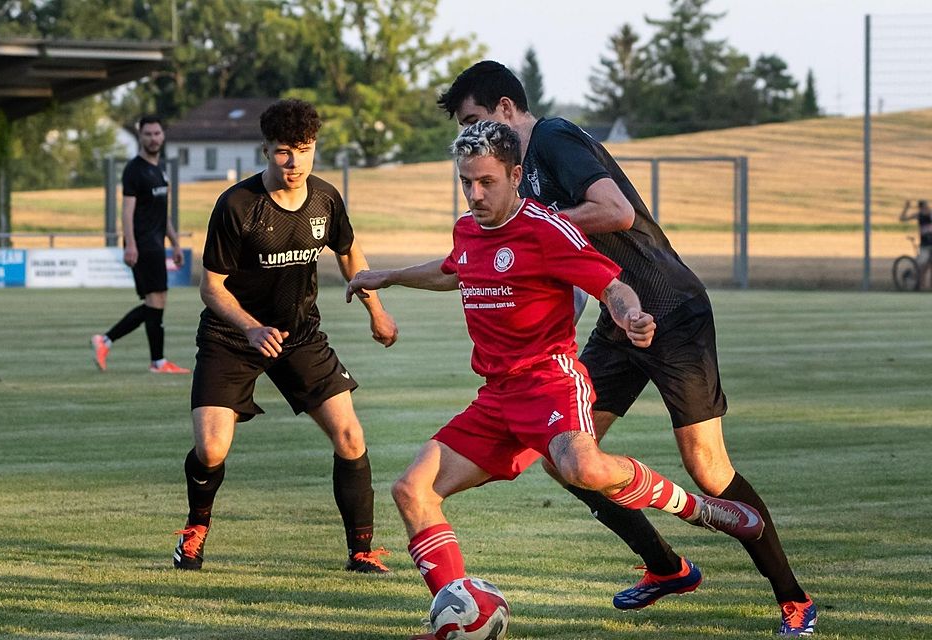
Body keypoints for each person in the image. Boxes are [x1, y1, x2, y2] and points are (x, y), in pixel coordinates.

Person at [436, 61, 816, 636]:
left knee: (708, 470)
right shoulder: (519, 170)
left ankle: (794, 598)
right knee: (568, 460)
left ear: (507, 110)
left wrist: (534, 229)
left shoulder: (553, 138)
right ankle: (667, 568)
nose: (473, 137)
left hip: (668, 308)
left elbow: (617, 212)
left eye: (475, 119)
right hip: (620, 323)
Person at [346, 121, 765, 640]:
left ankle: (695, 508)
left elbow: (612, 286)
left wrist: (632, 316)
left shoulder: (546, 228)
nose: (475, 194)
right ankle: (462, 618)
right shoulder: (468, 230)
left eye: (486, 182)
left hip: (549, 382)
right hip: (496, 399)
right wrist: (386, 275)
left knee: (581, 467)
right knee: (412, 489)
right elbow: (454, 269)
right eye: (466, 182)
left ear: (516, 175)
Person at [172, 98, 399, 575]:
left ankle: (361, 551)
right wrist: (250, 328)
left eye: (303, 149)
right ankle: (194, 531)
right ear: (265, 150)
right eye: (282, 152)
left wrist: (376, 310)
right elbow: (210, 286)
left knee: (351, 436)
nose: (293, 162)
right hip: (232, 336)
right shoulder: (237, 205)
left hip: (299, 336)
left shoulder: (325, 199)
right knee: (212, 448)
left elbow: (349, 253)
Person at [91, 115, 190, 374]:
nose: (153, 138)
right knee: (154, 301)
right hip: (144, 245)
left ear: (163, 136)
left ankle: (115, 344)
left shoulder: (160, 171)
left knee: (156, 302)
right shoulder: (135, 170)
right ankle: (151, 359)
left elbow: (163, 213)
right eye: (148, 134)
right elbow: (126, 212)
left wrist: (176, 244)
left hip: (157, 244)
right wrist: (130, 244)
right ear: (140, 136)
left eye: (157, 133)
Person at [899, 199, 932, 288]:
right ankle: (920, 285)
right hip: (925, 245)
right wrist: (906, 208)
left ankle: (925, 286)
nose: (927, 209)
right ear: (921, 208)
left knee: (927, 266)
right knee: (922, 265)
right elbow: (902, 218)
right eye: (925, 207)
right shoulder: (919, 215)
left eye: (927, 207)